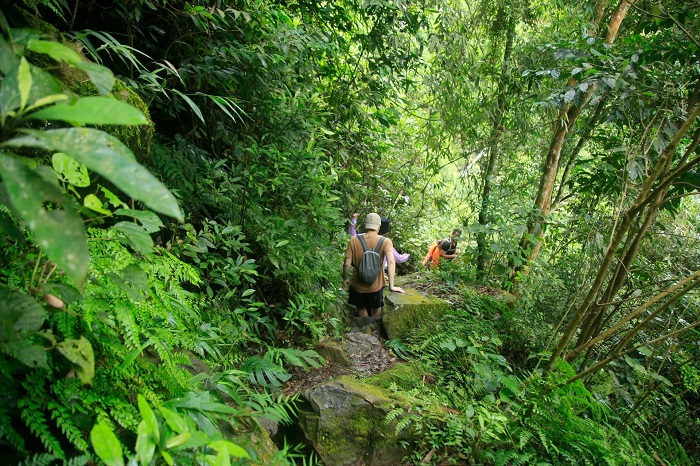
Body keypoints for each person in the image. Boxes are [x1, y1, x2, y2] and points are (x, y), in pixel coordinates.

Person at [343, 213, 405, 318]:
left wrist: (345, 279)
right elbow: (391, 261)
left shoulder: (354, 240)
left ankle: (365, 329)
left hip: (357, 284)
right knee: (377, 309)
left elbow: (347, 263)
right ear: (379, 226)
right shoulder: (385, 241)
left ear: (366, 225)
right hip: (377, 285)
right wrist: (392, 286)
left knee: (361, 308)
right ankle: (375, 329)